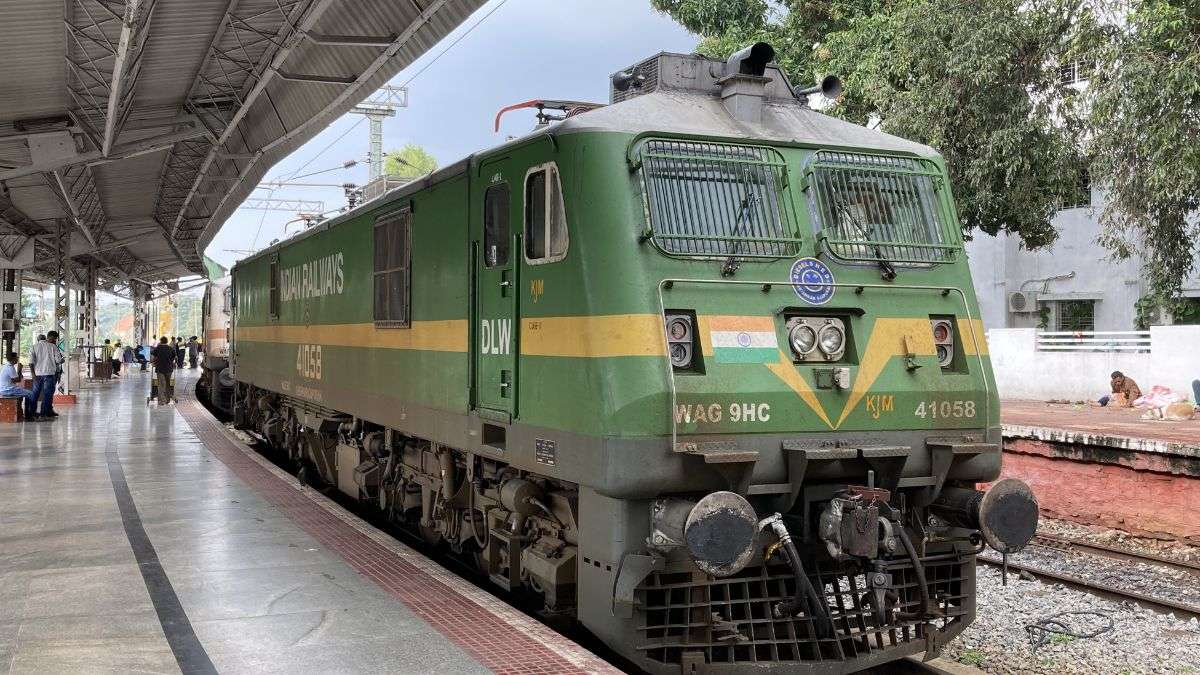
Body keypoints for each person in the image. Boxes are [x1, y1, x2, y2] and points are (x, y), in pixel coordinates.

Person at [30, 330, 63, 419]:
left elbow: (31, 362)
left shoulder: (34, 347)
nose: (55, 341)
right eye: (55, 339)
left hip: (37, 374)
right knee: (47, 395)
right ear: (50, 337)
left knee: (35, 394)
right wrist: (61, 360)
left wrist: (33, 375)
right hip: (49, 374)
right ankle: (43, 414)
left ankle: (31, 414)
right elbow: (58, 360)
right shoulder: (53, 346)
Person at [0, 352, 35, 420]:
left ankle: (28, 413)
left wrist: (19, 372)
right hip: (8, 390)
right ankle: (29, 415)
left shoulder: (7, 366)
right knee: (31, 394)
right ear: (13, 358)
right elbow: (17, 380)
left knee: (28, 393)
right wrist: (20, 369)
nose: (17, 359)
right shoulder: (10, 367)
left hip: (6, 388)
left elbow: (15, 379)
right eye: (17, 357)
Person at [151, 336, 176, 404]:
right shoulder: (170, 348)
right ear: (167, 341)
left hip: (160, 369)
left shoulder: (158, 348)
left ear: (161, 341)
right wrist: (170, 361)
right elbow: (174, 357)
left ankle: (162, 400)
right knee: (168, 384)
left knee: (161, 384)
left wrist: (153, 362)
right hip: (169, 369)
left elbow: (153, 355)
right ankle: (167, 400)